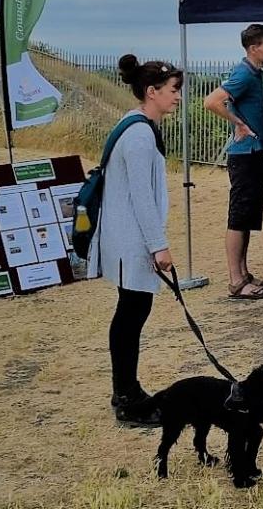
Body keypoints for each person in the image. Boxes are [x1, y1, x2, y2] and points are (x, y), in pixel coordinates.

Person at [88, 55, 182, 425]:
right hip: (132, 240)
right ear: (152, 91)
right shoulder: (140, 134)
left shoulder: (132, 123)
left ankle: (127, 388)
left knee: (130, 313)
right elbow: (143, 197)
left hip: (126, 236)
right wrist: (159, 245)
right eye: (173, 91)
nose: (177, 97)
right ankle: (125, 394)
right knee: (131, 314)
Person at [203, 23, 263, 299]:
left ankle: (244, 273)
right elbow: (212, 101)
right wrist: (238, 123)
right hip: (244, 154)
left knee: (247, 216)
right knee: (238, 216)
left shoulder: (254, 74)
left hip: (254, 153)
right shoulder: (243, 74)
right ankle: (236, 280)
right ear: (253, 48)